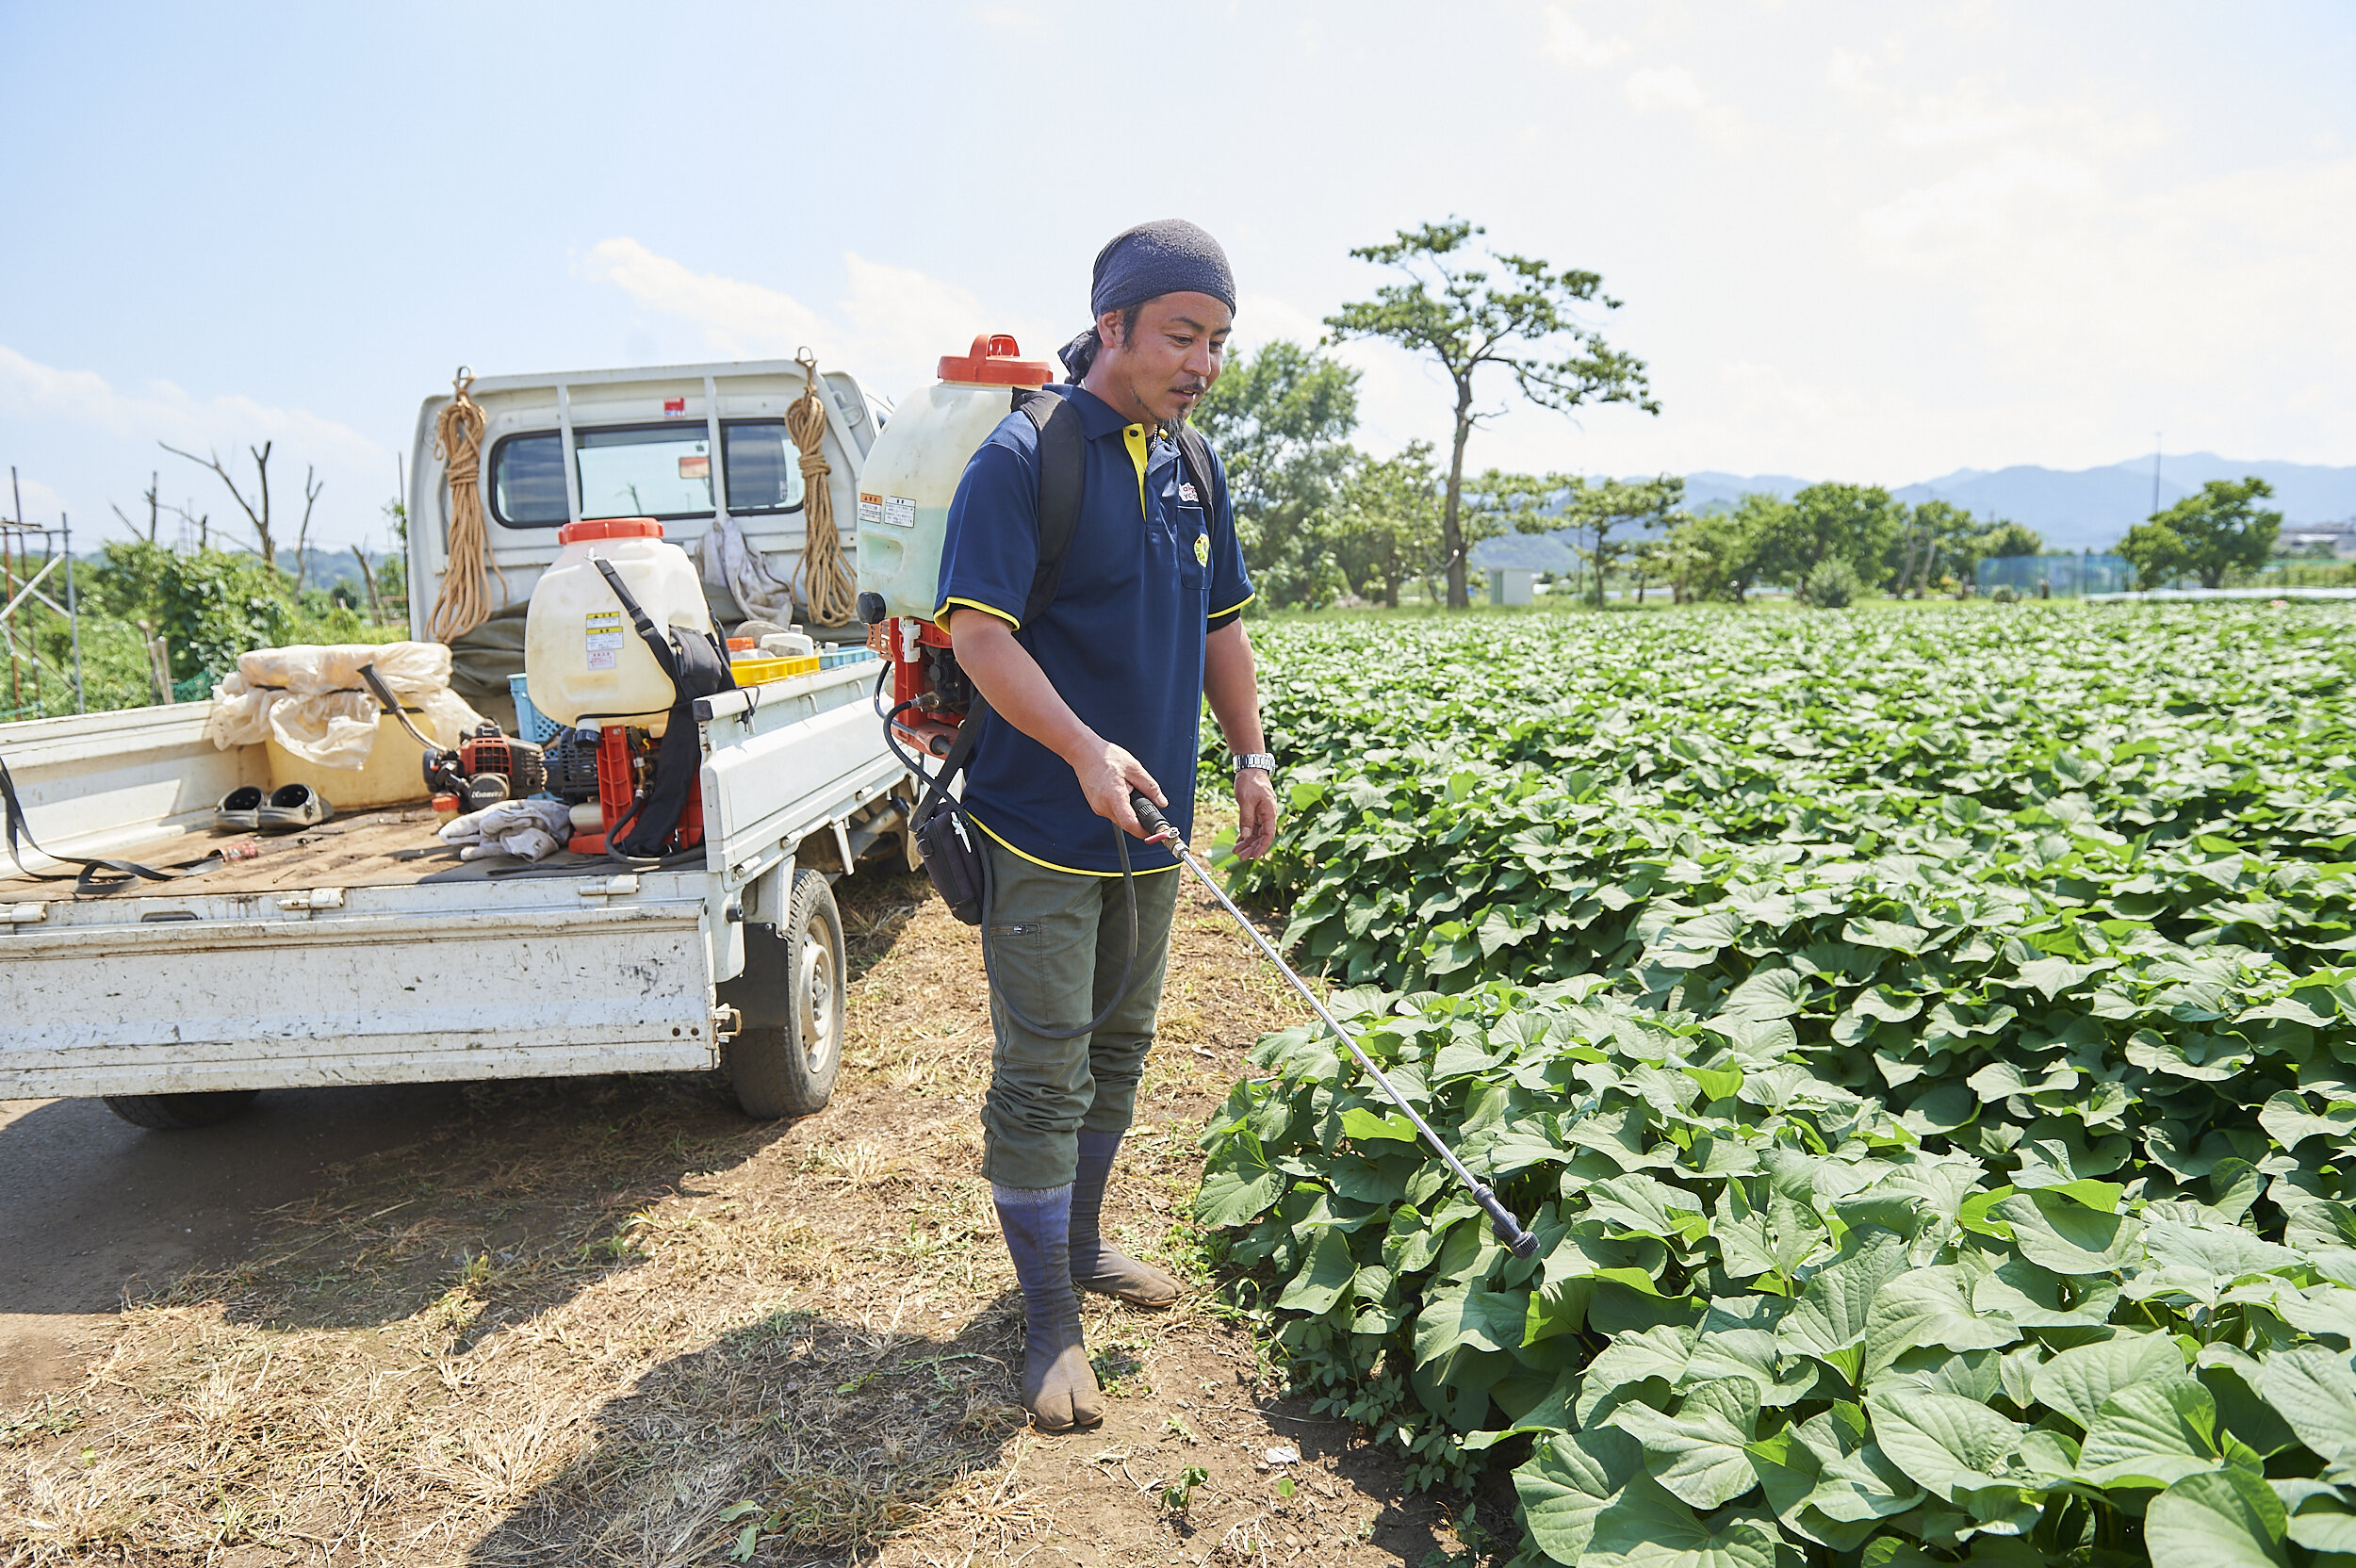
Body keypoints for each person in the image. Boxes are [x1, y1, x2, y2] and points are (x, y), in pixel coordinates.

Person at [932, 219, 1279, 1432]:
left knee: (1121, 1045)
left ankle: (1077, 1243)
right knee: (1045, 1062)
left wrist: (1246, 755)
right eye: (1182, 336)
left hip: (1155, 825)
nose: (1202, 363)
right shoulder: (1026, 461)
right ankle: (1043, 1321)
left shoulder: (1193, 467)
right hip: (1041, 818)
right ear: (1115, 325)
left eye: (1218, 342)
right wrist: (1082, 751)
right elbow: (979, 638)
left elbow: (1222, 624)